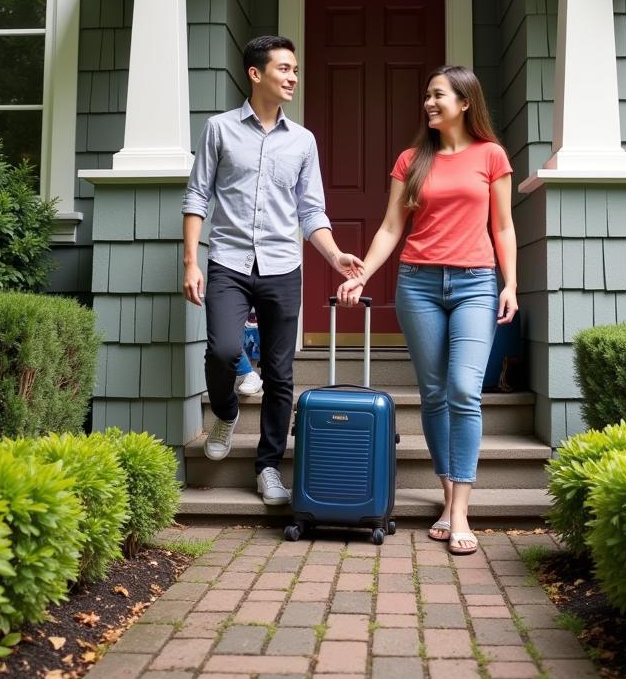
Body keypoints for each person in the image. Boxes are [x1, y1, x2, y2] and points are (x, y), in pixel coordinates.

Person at [337, 65, 517, 554]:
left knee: (464, 388)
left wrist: (511, 284)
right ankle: (448, 498)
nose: (428, 103)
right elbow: (391, 228)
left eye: (438, 95)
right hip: (417, 283)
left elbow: (502, 226)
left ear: (464, 102)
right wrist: (363, 274)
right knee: (435, 393)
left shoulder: (491, 155)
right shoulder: (411, 160)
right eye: (427, 95)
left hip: (476, 283)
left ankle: (461, 511)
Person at [182, 35, 363, 506]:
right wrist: (190, 261)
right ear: (256, 74)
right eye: (284, 69)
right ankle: (225, 412)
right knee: (222, 350)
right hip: (228, 261)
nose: (293, 78)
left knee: (280, 373)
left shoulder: (303, 141)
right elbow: (198, 196)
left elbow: (311, 212)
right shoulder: (219, 129)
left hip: (283, 266)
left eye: (296, 70)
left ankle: (267, 467)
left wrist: (336, 255)